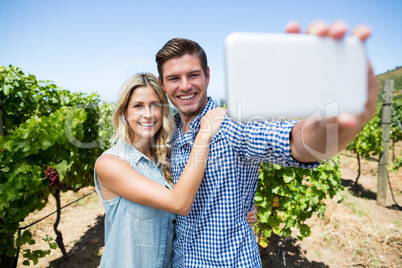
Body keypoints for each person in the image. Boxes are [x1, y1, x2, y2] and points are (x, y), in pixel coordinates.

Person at [155, 20, 377, 267]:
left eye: (193, 75)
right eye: (174, 78)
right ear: (162, 84)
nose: (184, 86)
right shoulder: (168, 133)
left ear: (207, 76)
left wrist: (333, 125)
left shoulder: (232, 124)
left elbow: (294, 143)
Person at [94, 73, 226, 267]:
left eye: (155, 105)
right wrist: (203, 136)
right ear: (124, 113)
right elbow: (179, 203)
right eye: (138, 106)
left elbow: (197, 196)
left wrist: (243, 209)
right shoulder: (110, 163)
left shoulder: (167, 158)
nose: (148, 114)